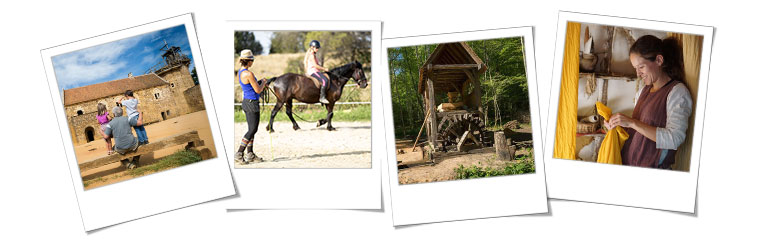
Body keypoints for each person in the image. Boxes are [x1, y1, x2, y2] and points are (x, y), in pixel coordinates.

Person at [604, 35, 693, 169]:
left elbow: (674, 139)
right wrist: (617, 126)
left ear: (658, 60)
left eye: (641, 67)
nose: (638, 74)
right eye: (635, 68)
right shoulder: (642, 91)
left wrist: (632, 122)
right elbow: (638, 132)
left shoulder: (677, 92)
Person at [235, 49, 267, 163]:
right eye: (252, 60)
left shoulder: (241, 72)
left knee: (251, 129)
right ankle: (239, 153)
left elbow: (250, 86)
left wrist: (258, 83)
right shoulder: (249, 74)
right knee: (252, 129)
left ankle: (250, 154)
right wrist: (263, 82)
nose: (252, 62)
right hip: (252, 103)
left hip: (247, 102)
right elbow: (258, 90)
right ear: (248, 61)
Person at [304, 40, 331, 104]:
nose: (317, 49)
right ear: (312, 47)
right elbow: (315, 65)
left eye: (318, 48)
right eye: (316, 48)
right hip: (313, 71)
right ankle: (322, 97)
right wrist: (324, 69)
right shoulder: (312, 55)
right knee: (325, 80)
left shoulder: (313, 54)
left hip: (315, 71)